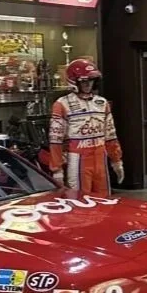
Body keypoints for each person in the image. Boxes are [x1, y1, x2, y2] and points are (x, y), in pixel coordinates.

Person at [49, 59, 124, 196]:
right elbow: (56, 140)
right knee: (81, 202)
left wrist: (116, 160)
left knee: (104, 199)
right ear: (74, 81)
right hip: (78, 159)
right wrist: (57, 169)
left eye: (91, 80)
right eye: (84, 81)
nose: (88, 84)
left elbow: (110, 135)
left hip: (100, 157)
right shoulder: (62, 104)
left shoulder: (102, 103)